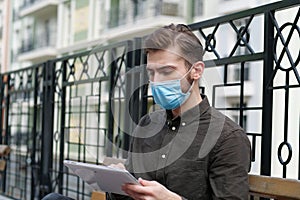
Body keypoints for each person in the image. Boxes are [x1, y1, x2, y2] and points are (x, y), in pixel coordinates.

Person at [43, 24, 251, 200]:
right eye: (151, 72)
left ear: (196, 70)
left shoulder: (227, 138)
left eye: (167, 71)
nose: (156, 81)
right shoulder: (148, 123)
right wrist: (118, 181)